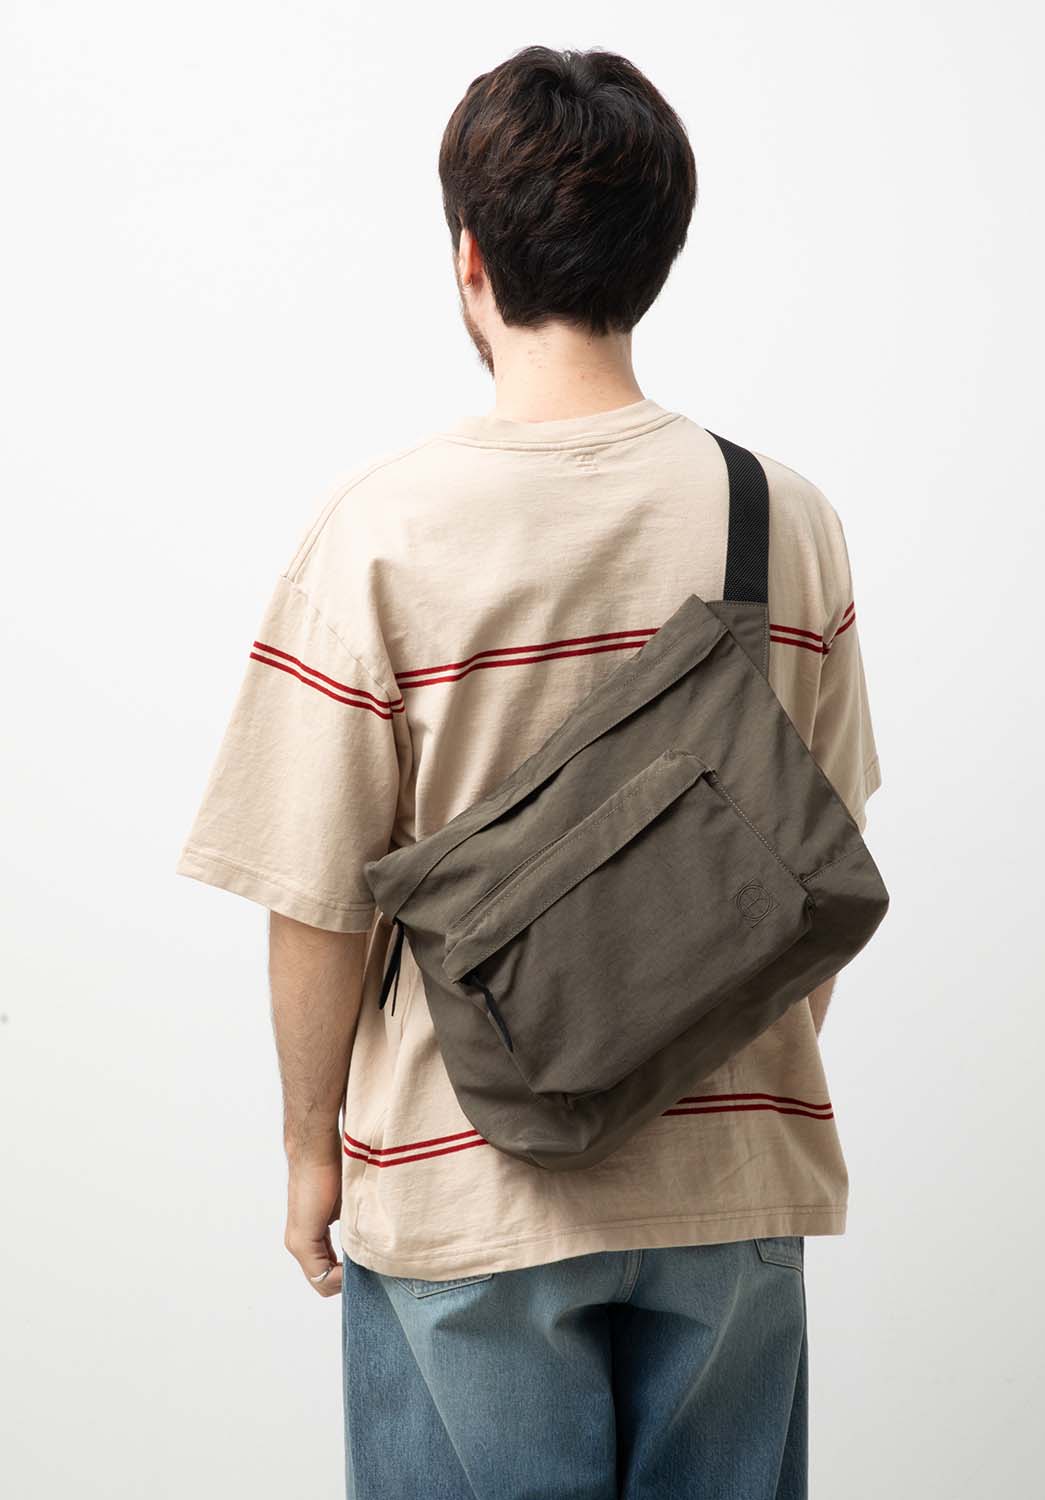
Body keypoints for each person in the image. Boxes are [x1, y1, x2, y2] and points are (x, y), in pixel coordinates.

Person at [176, 43, 882, 1500]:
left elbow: (315, 903)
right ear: (660, 254)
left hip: (460, 1179)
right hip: (734, 1178)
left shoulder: (380, 533)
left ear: (470, 259)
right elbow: (821, 857)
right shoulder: (784, 516)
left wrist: (311, 1156)